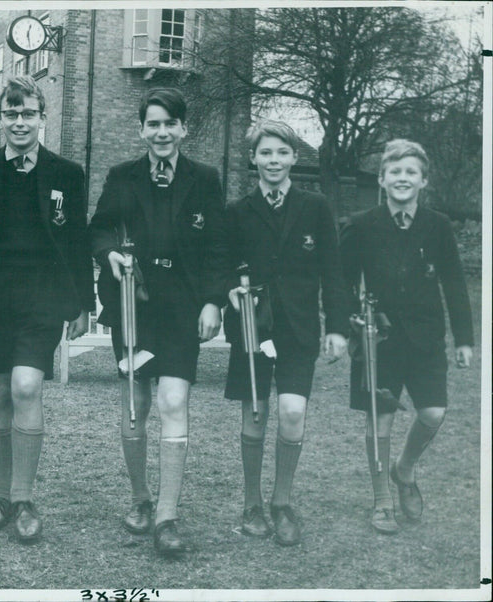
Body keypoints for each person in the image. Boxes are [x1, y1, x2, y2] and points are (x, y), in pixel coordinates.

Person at [89, 87, 229, 557]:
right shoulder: (122, 176)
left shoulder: (206, 178)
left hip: (182, 306)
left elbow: (217, 247)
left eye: (170, 123)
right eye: (153, 123)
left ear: (183, 128)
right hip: (133, 302)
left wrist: (213, 302)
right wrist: (109, 252)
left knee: (174, 400)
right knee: (136, 401)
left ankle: (167, 515)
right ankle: (140, 500)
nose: (162, 132)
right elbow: (99, 227)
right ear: (141, 129)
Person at [0, 76, 94, 544]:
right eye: (11, 114)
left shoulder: (66, 173)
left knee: (27, 385)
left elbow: (77, 239)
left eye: (29, 114)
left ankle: (24, 498)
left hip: (43, 296)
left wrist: (83, 304)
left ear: (42, 117)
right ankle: (1, 497)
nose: (20, 122)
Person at [223, 120, 350, 546]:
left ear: (295, 157)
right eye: (265, 153)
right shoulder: (238, 212)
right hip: (252, 328)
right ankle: (251, 504)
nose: (273, 161)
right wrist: (229, 291)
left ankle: (281, 502)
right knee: (256, 415)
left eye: (281, 152)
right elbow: (224, 265)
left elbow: (334, 272)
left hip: (298, 330)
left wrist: (336, 326)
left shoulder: (316, 206)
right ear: (253, 160)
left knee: (293, 413)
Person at [339, 139, 473, 534]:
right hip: (376, 340)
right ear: (381, 179)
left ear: (423, 181)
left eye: (410, 172)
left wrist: (464, 339)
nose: (402, 178)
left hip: (426, 337)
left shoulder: (438, 226)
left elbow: (454, 285)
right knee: (379, 419)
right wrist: (352, 322)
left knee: (433, 413)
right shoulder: (360, 224)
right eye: (394, 172)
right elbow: (342, 282)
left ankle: (405, 468)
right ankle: (382, 502)